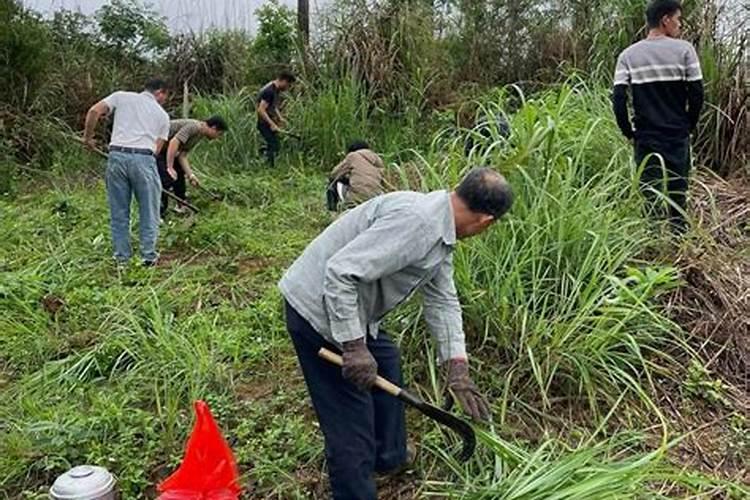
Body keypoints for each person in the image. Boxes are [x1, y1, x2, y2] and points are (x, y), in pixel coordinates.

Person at [279, 167, 513, 500]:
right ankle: (356, 490)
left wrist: (456, 368)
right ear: (486, 222)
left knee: (386, 360)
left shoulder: (442, 227)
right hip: (318, 311)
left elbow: (442, 299)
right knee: (350, 422)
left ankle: (389, 456)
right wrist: (355, 347)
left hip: (351, 309)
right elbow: (340, 273)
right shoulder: (418, 224)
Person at [612, 0, 704, 233]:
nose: (680, 25)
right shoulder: (685, 50)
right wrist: (688, 125)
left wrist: (628, 132)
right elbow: (696, 94)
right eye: (678, 19)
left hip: (646, 136)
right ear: (665, 20)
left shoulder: (627, 55)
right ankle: (678, 242)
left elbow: (619, 100)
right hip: (676, 134)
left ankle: (652, 245)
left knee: (650, 194)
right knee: (677, 193)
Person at [83, 78, 170, 266]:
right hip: (144, 158)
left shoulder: (121, 97)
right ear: (160, 92)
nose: (164, 100)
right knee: (149, 210)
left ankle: (122, 258)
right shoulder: (163, 115)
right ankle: (148, 256)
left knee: (119, 211)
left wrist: (88, 138)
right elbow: (157, 149)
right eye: (165, 96)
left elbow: (94, 111)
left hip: (117, 157)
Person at [157, 116, 228, 217]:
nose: (217, 138)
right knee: (166, 179)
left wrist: (191, 176)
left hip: (167, 149)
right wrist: (170, 166)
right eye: (219, 134)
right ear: (213, 128)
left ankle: (181, 206)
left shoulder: (199, 134)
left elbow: (182, 155)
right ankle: (159, 213)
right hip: (157, 146)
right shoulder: (195, 127)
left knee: (180, 175)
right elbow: (174, 142)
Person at [327, 140, 385, 211]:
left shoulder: (352, 156)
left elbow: (334, 174)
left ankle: (333, 210)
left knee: (333, 182)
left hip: (357, 198)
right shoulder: (378, 159)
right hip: (376, 198)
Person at [256, 71, 296, 167]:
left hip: (270, 121)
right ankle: (269, 166)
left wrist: (280, 118)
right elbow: (261, 110)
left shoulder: (276, 90)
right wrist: (272, 124)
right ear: (284, 81)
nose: (288, 88)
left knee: (274, 145)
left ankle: (265, 160)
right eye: (288, 85)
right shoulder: (269, 91)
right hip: (264, 123)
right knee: (274, 145)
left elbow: (273, 106)